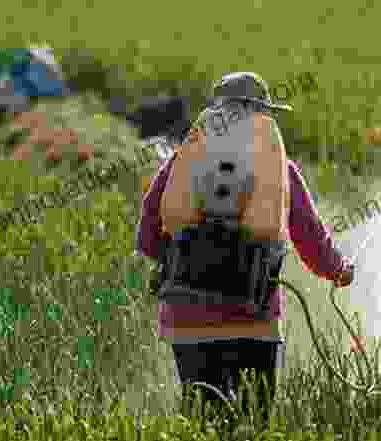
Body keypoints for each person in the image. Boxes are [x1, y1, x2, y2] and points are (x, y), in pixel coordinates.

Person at [135, 72, 355, 423]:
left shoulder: (181, 163)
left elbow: (147, 234)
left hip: (187, 319)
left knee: (202, 423)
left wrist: (179, 260)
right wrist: (340, 270)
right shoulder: (279, 169)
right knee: (254, 423)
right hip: (255, 320)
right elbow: (310, 239)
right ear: (262, 114)